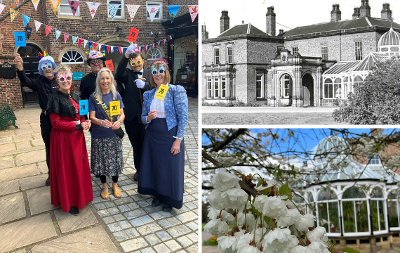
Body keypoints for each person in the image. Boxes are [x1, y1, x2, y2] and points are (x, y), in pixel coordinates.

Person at [138, 58, 188, 212]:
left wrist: (177, 141)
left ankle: (169, 198)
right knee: (155, 166)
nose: (157, 75)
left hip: (169, 135)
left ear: (166, 73)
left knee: (170, 168)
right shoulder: (148, 94)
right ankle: (157, 195)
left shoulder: (176, 90)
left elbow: (183, 117)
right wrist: (148, 118)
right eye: (154, 72)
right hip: (152, 136)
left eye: (161, 71)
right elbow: (142, 118)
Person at [46, 65, 93, 215]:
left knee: (78, 167)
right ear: (57, 80)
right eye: (62, 78)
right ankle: (69, 201)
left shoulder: (77, 96)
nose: (65, 81)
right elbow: (56, 123)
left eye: (68, 78)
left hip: (77, 139)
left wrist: (86, 122)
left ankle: (81, 196)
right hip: (63, 139)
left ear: (72, 79)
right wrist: (77, 125)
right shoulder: (54, 98)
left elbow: (82, 116)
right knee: (67, 170)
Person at [15, 52, 58, 186]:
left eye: (49, 66)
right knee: (49, 147)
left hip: (60, 119)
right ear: (41, 69)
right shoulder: (39, 81)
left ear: (53, 67)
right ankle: (51, 174)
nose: (47, 69)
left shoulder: (60, 79)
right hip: (46, 119)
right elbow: (26, 81)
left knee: (61, 146)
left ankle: (63, 172)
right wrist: (20, 68)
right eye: (44, 67)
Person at [115, 43, 151, 181]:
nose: (136, 65)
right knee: (136, 144)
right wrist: (125, 56)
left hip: (147, 116)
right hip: (130, 116)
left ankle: (148, 169)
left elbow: (157, 87)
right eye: (133, 62)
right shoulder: (127, 73)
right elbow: (119, 73)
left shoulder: (150, 73)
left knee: (146, 143)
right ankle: (139, 170)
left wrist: (146, 85)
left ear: (143, 61)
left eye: (138, 62)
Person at [89, 68, 125, 199]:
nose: (105, 81)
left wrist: (119, 121)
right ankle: (104, 185)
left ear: (111, 80)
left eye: (107, 78)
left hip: (114, 134)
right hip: (99, 134)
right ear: (99, 80)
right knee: (101, 162)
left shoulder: (116, 95)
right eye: (102, 78)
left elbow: (122, 115)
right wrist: (100, 122)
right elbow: (91, 117)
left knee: (115, 161)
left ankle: (115, 184)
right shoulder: (94, 97)